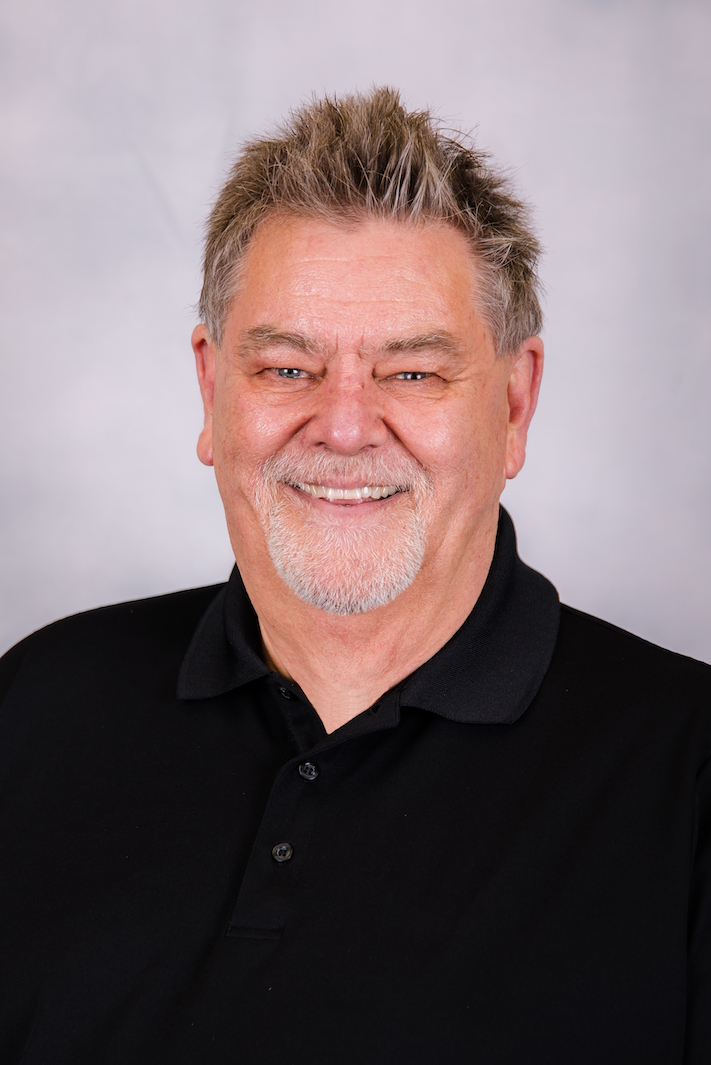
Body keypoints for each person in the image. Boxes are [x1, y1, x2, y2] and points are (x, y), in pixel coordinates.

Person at [0, 87, 709, 1065]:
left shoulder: (689, 773)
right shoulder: (36, 706)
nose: (342, 426)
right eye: (288, 368)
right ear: (212, 389)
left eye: (412, 373)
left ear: (515, 401)